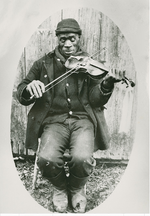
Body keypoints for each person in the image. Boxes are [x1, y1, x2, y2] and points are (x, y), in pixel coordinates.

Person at [17, 18, 124, 213]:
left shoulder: (89, 64)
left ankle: (76, 188)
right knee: (46, 158)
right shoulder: (42, 64)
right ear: (57, 38)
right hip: (53, 122)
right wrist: (28, 88)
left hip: (82, 121)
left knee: (82, 157)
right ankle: (59, 188)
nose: (68, 44)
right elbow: (22, 91)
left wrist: (106, 84)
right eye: (63, 39)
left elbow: (95, 100)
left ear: (79, 39)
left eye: (72, 39)